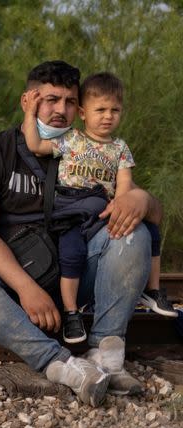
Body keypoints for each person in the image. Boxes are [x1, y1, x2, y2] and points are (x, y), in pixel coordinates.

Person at [0, 60, 161, 407]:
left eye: (70, 102)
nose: (60, 110)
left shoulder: (90, 149)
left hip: (77, 276)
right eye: (50, 100)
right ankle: (60, 364)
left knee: (136, 234)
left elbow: (151, 213)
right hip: (17, 284)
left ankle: (105, 356)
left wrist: (141, 198)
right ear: (28, 101)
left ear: (81, 108)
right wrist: (26, 289)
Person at [23, 72, 175, 343]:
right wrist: (30, 112)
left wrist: (125, 203)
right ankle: (72, 312)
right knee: (72, 255)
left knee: (149, 230)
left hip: (104, 209)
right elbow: (34, 144)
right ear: (83, 112)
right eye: (101, 109)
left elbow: (125, 184)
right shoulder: (71, 139)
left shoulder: (120, 149)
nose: (108, 116)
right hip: (71, 210)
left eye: (114, 110)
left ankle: (152, 290)